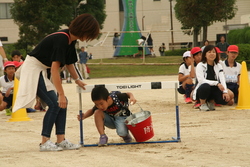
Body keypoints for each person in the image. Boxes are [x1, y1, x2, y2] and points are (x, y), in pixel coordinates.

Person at [13, 13, 100, 152]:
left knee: (62, 103)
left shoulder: (70, 40)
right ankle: (45, 142)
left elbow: (70, 63)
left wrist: (78, 80)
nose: (89, 37)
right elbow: (54, 70)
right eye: (90, 34)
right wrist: (60, 93)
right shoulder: (62, 39)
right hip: (33, 69)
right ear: (84, 30)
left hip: (42, 69)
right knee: (55, 103)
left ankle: (61, 140)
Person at [192, 45, 234, 111]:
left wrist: (225, 92)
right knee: (205, 86)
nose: (212, 54)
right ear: (205, 54)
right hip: (202, 89)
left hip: (214, 89)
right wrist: (216, 83)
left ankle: (211, 102)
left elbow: (222, 79)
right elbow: (201, 81)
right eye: (209, 52)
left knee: (225, 99)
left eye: (214, 52)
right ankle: (202, 103)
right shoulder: (200, 65)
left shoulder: (218, 66)